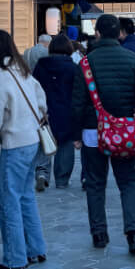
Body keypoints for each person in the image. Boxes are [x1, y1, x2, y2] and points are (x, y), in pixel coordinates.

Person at [73, 15, 135, 254]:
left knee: (95, 184)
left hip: (93, 131)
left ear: (97, 33)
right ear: (119, 33)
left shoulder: (85, 63)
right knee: (127, 182)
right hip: (124, 130)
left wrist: (75, 132)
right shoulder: (132, 59)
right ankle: (134, 234)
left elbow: (77, 102)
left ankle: (99, 233)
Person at [0, 29, 49, 269]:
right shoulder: (22, 69)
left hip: (14, 142)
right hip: (33, 139)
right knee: (25, 197)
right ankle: (36, 249)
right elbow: (41, 101)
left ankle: (15, 258)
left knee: (8, 201)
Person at [33, 35, 81, 189]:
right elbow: (77, 93)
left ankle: (42, 173)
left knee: (43, 143)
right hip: (66, 112)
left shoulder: (41, 65)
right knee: (65, 145)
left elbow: (34, 87)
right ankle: (61, 179)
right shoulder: (73, 68)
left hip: (44, 111)